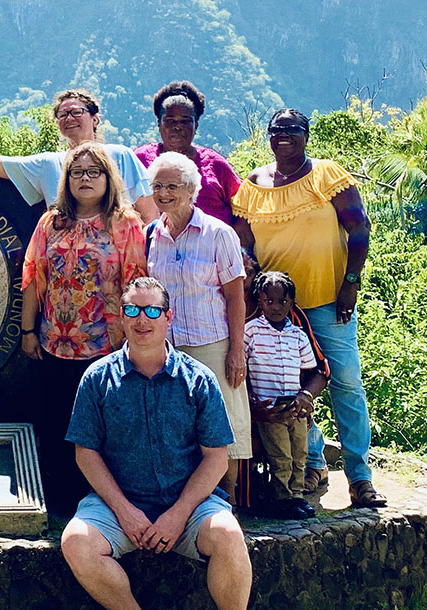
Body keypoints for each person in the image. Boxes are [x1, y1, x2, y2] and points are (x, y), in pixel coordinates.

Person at [60, 277, 252, 610]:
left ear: (168, 318)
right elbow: (86, 453)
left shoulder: (198, 379)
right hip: (119, 504)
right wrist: (125, 511)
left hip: (188, 505)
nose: (141, 319)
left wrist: (179, 513)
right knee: (75, 541)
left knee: (230, 536)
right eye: (132, 309)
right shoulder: (97, 379)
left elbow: (216, 458)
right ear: (121, 317)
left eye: (151, 311)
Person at [232, 108, 386, 508]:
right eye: (276, 130)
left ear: (306, 135)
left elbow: (359, 228)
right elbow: (244, 243)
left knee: (346, 383)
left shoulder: (327, 176)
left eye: (293, 130)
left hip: (327, 302)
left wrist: (350, 284)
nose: (284, 136)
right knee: (286, 386)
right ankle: (313, 463)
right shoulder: (253, 185)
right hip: (276, 311)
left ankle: (359, 478)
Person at [20, 140, 146, 513]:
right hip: (55, 342)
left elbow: (135, 281)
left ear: (109, 179)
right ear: (66, 180)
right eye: (77, 173)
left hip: (107, 344)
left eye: (94, 172)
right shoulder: (51, 222)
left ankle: (103, 500)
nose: (85, 179)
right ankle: (59, 499)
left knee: (103, 425)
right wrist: (28, 331)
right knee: (57, 419)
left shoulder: (125, 223)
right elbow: (32, 275)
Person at [145, 152, 250, 499]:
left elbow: (236, 297)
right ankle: (188, 504)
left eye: (172, 185)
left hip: (212, 344)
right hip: (167, 349)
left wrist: (237, 351)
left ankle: (228, 500)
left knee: (223, 429)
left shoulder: (218, 233)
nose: (163, 193)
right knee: (178, 428)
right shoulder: (151, 236)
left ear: (192, 189)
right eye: (158, 185)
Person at [0, 89, 157, 222]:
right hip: (65, 267)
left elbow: (148, 215)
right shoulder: (49, 163)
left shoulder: (122, 156)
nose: (69, 118)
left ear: (94, 119)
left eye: (76, 112)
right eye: (62, 115)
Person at [241, 250, 330, 499]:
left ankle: (301, 488)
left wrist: (305, 397)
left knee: (298, 450)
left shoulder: (292, 321)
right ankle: (274, 494)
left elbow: (319, 369)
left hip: (292, 405)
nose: (240, 278)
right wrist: (252, 408)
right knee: (278, 454)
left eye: (247, 273)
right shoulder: (222, 314)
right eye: (233, 271)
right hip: (254, 404)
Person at [135, 81, 241, 224]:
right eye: (170, 121)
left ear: (196, 124)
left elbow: (243, 209)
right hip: (156, 244)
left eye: (185, 121)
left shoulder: (216, 165)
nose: (177, 127)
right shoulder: (140, 161)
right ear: (159, 123)